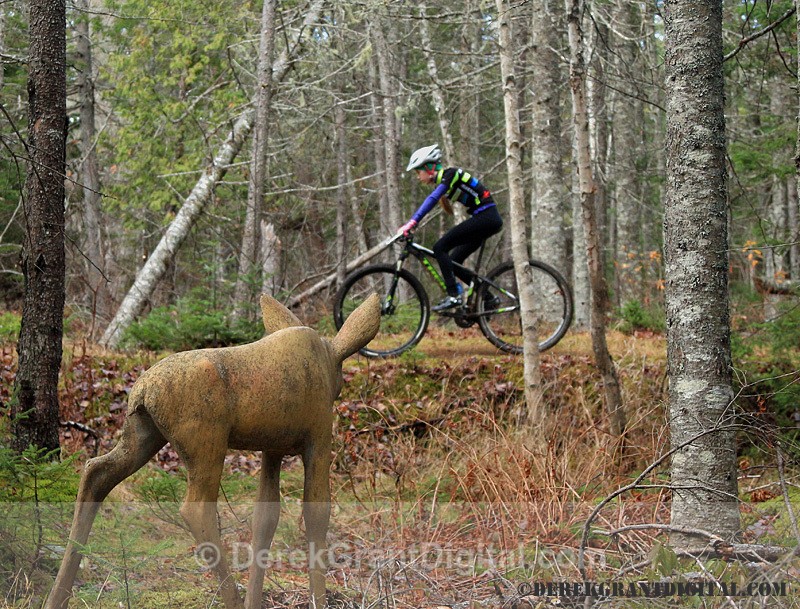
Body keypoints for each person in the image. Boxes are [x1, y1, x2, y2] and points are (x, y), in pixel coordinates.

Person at [399, 144, 503, 311]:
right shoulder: (444, 181)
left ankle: (454, 295)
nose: (418, 177)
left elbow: (432, 199)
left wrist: (412, 222)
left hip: (487, 217)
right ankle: (488, 298)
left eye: (418, 172)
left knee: (439, 248)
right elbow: (437, 199)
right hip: (484, 218)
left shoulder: (451, 174)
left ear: (429, 168)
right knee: (453, 262)